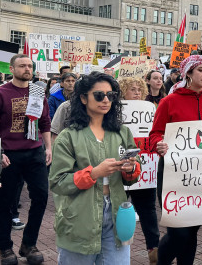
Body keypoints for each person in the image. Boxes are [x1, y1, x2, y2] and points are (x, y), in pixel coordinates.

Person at [50, 72, 139, 264]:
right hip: (79, 216)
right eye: (99, 95)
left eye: (111, 95)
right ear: (83, 98)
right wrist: (94, 173)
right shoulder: (68, 136)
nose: (106, 100)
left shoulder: (122, 132)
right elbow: (57, 182)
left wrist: (130, 169)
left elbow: (132, 175)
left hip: (116, 215)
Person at [147, 55, 202, 265]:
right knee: (178, 232)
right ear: (188, 73)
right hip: (174, 175)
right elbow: (154, 134)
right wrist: (159, 144)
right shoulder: (169, 101)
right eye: (200, 70)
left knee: (191, 231)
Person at [0, 55, 52, 265]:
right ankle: (5, 248)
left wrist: (48, 147)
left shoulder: (38, 92)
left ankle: (28, 244)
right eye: (22, 65)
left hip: (34, 152)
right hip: (9, 154)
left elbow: (45, 122)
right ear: (12, 69)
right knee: (5, 202)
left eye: (30, 66)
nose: (27, 69)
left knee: (41, 197)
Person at [118, 77, 160, 265]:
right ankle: (118, 250)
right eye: (132, 89)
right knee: (119, 211)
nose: (136, 92)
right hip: (121, 171)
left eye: (139, 89)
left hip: (145, 171)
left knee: (148, 212)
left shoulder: (150, 109)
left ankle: (154, 251)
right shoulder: (113, 111)